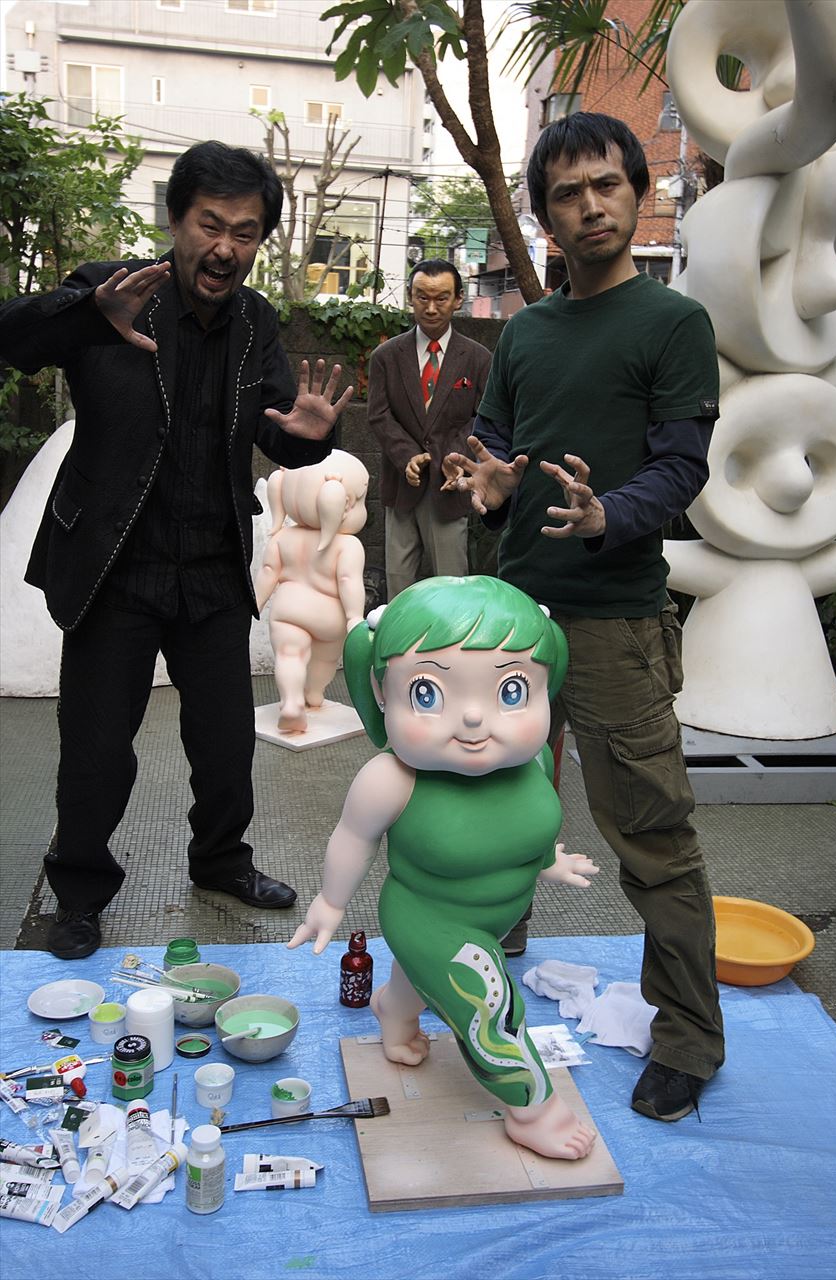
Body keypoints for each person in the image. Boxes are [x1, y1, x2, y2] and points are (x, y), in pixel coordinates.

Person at [0, 140, 353, 961]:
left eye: (246, 232)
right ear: (175, 220)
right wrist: (85, 316)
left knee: (226, 743)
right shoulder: (112, 291)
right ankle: (78, 892)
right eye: (210, 225)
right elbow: (10, 338)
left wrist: (307, 440)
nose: (226, 247)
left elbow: (278, 430)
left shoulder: (256, 322)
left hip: (212, 566)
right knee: (96, 750)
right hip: (115, 565)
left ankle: (221, 860)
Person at [444, 112, 725, 1124]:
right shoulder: (524, 331)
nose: (591, 205)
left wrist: (612, 515)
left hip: (613, 619)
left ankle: (686, 1034)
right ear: (544, 217)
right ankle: (492, 951)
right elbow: (492, 446)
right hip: (515, 615)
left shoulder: (672, 323)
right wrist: (484, 482)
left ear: (637, 192)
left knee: (649, 832)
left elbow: (681, 465)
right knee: (493, 800)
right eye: (567, 193)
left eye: (607, 184)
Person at [288, 575, 599, 1161]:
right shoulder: (392, 778)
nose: (475, 718)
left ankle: (395, 1009)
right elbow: (353, 838)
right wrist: (330, 902)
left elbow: (522, 828)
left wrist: (548, 862)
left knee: (433, 980)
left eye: (511, 691)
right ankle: (534, 1110)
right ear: (382, 693)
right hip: (428, 916)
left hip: (495, 915)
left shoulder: (531, 759)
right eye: (428, 693)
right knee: (489, 1005)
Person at [367, 259, 491, 599]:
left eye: (441, 298)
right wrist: (407, 455)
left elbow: (482, 417)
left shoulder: (478, 359)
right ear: (410, 296)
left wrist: (455, 457)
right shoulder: (386, 357)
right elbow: (379, 415)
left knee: (453, 589)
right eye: (422, 297)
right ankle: (398, 636)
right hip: (401, 487)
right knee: (398, 589)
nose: (431, 308)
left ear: (458, 299)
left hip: (450, 489)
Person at [254, 450, 368, 734]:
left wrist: (254, 604)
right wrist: (354, 617)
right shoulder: (347, 546)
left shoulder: (282, 538)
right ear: (346, 504)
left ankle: (291, 702)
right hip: (329, 618)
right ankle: (314, 694)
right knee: (325, 660)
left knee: (289, 655)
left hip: (288, 610)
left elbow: (268, 572)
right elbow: (348, 581)